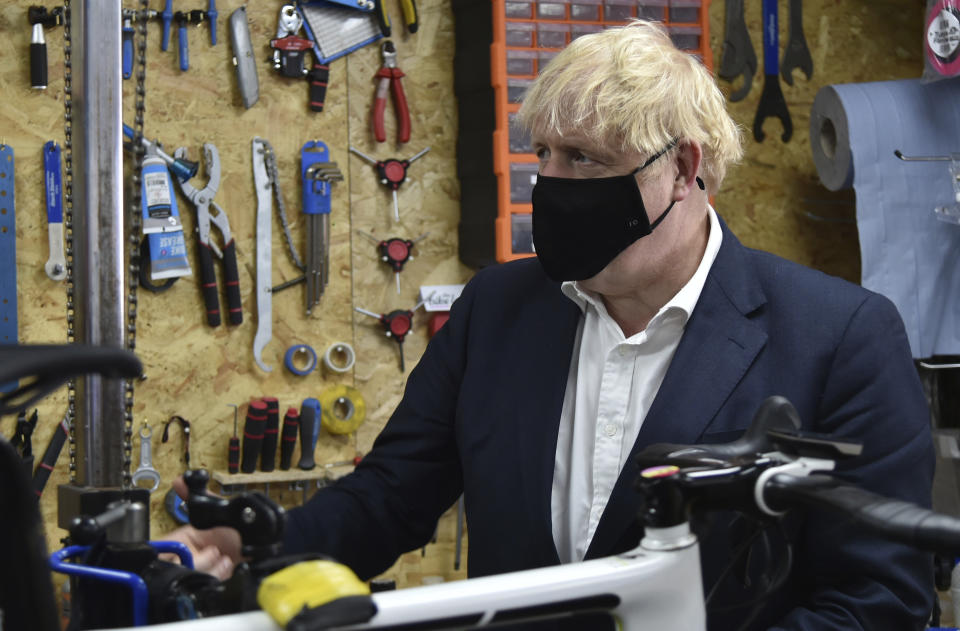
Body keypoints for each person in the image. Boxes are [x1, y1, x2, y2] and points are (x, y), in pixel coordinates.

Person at [169, 20, 935, 630]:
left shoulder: (841, 337)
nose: (555, 185)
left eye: (587, 159)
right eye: (545, 156)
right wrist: (251, 543)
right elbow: (387, 500)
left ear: (685, 167)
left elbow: (877, 601)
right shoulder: (497, 309)